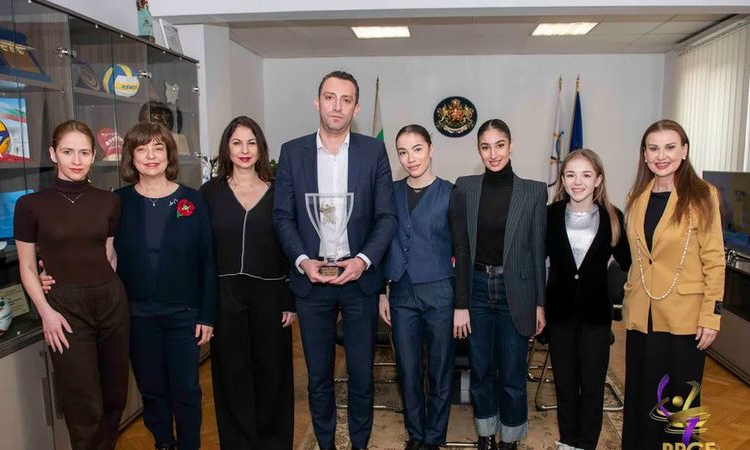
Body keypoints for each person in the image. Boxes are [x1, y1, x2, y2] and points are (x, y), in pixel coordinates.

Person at [40, 122, 217, 450]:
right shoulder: (116, 202)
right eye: (142, 149)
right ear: (131, 158)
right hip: (135, 314)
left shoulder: (193, 200)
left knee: (187, 389)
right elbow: (88, 249)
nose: (151, 156)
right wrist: (47, 272)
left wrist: (207, 315)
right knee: (152, 389)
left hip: (184, 313)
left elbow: (208, 261)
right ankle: (163, 443)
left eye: (158, 148)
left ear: (169, 154)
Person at [273, 70, 398, 450]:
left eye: (346, 100)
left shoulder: (373, 152)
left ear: (356, 108)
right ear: (318, 102)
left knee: (361, 376)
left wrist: (363, 260)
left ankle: (359, 444)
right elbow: (283, 216)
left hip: (359, 280)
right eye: (330, 97)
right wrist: (302, 261)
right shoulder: (292, 152)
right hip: (311, 281)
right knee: (318, 379)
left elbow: (386, 217)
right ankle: (325, 444)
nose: (337, 106)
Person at [15, 120, 130, 450]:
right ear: (53, 154)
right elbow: (27, 266)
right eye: (68, 152)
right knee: (83, 406)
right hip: (64, 309)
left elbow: (108, 253)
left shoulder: (109, 202)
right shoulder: (30, 206)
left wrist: (108, 289)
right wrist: (46, 312)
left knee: (114, 398)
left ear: (94, 155)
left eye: (84, 152)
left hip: (111, 302)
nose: (76, 160)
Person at [621, 119, 724, 450]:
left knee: (681, 402)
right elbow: (638, 258)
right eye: (653, 148)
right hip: (642, 314)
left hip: (685, 318)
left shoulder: (703, 196)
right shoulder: (636, 197)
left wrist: (712, 315)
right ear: (644, 154)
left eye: (669, 147)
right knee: (641, 398)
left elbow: (714, 260)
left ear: (684, 150)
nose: (661, 155)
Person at [200, 116, 295, 449]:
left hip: (271, 295)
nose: (244, 150)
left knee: (273, 375)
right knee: (231, 375)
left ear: (261, 148)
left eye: (251, 142)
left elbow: (291, 246)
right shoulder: (209, 193)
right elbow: (201, 251)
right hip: (225, 296)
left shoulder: (280, 191)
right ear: (227, 147)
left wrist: (290, 299)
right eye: (237, 142)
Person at [453, 118, 547, 450]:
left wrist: (540, 303)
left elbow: (537, 251)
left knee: (512, 373)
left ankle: (509, 438)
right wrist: (460, 302)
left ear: (511, 145)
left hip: (515, 291)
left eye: (499, 145)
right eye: (485, 147)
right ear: (478, 150)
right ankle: (485, 433)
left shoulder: (534, 191)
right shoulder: (465, 187)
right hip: (477, 288)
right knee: (481, 370)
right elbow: (461, 247)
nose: (493, 154)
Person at [379, 124, 470, 450]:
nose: (410, 158)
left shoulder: (451, 193)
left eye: (417, 149)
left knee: (440, 369)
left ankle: (434, 437)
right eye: (402, 152)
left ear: (431, 149)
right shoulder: (390, 191)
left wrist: (461, 305)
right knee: (408, 369)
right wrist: (381, 292)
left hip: (441, 293)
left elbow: (462, 250)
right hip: (401, 292)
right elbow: (381, 243)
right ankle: (416, 434)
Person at [545, 149, 631, 450]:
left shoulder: (613, 216)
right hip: (559, 315)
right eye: (570, 175)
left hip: (596, 317)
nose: (577, 182)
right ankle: (568, 441)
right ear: (563, 179)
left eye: (586, 175)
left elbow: (630, 261)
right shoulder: (550, 215)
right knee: (565, 384)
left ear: (598, 180)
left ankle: (586, 444)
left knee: (592, 386)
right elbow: (535, 260)